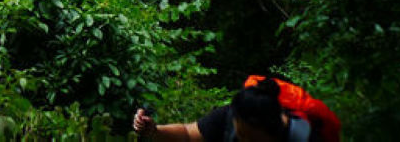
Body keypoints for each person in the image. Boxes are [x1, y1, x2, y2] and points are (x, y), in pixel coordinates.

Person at [132, 77, 320, 142]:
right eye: (240, 136)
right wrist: (154, 131)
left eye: (250, 139)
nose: (242, 140)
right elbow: (188, 135)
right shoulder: (230, 117)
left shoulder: (306, 138)